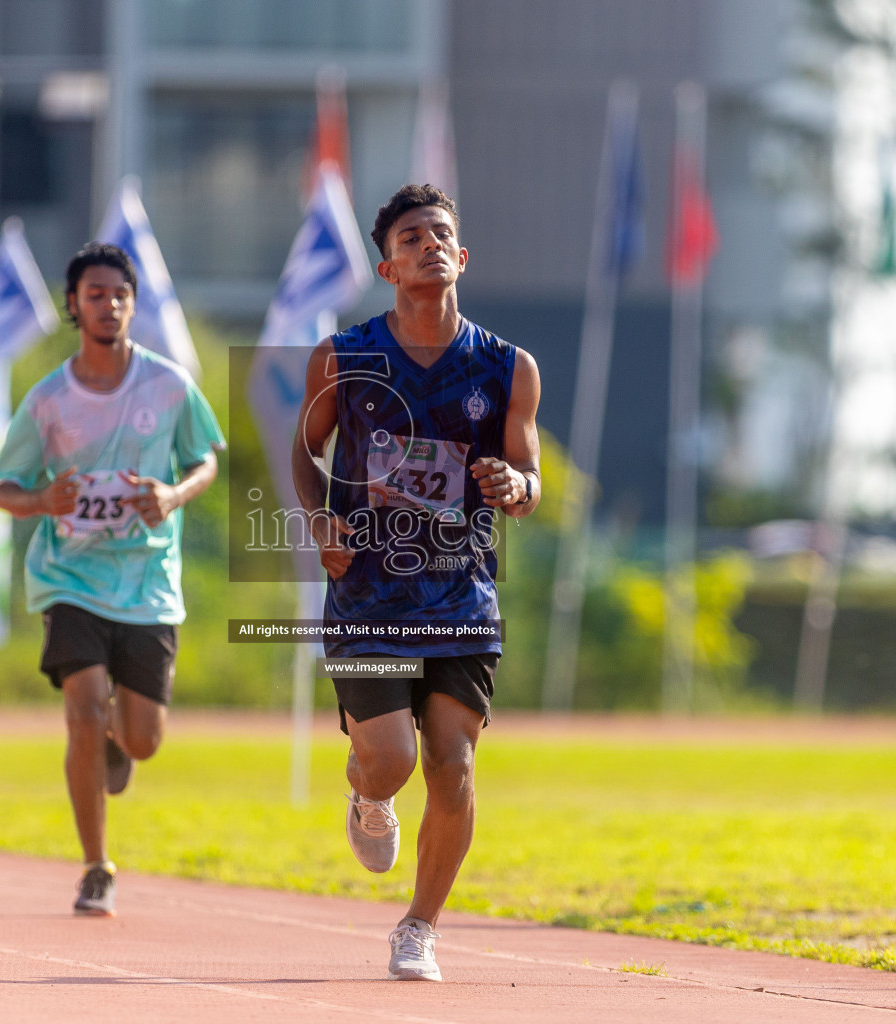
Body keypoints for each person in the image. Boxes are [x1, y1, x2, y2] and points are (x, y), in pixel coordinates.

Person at [292, 184, 542, 980]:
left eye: (442, 234)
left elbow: (529, 476)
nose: (430, 244)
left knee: (454, 766)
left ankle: (419, 928)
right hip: (368, 594)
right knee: (392, 761)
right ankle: (367, 792)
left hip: (461, 594)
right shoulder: (344, 356)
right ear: (388, 267)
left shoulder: (508, 368)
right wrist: (319, 521)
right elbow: (304, 452)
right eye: (412, 238)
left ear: (460, 257)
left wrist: (515, 485)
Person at [0, 242, 224, 916]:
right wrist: (43, 502)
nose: (109, 305)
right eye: (95, 294)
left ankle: (121, 741)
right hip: (71, 577)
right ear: (73, 305)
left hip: (148, 581)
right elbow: (3, 487)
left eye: (120, 295)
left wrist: (173, 496)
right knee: (83, 708)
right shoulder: (48, 401)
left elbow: (205, 459)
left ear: (133, 304)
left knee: (144, 738)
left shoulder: (169, 385)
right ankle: (96, 866)